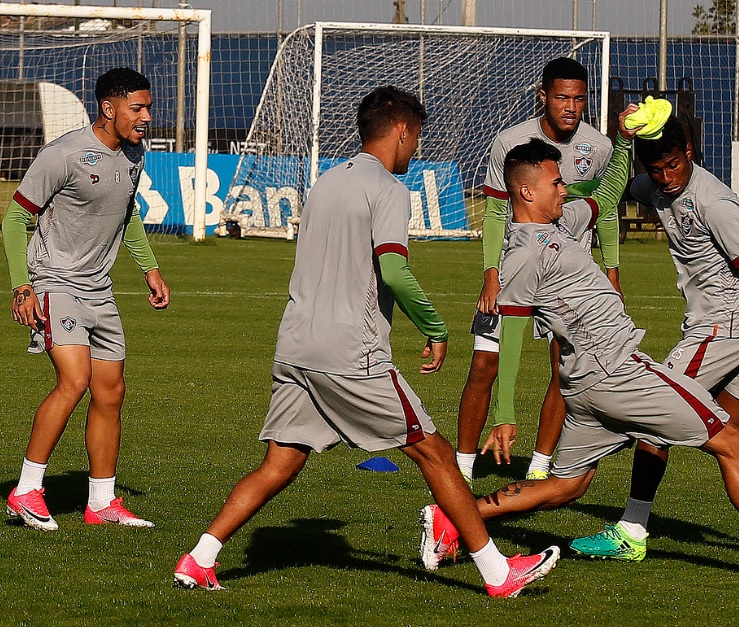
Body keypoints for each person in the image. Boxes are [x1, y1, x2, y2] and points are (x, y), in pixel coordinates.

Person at [173, 87, 558, 598]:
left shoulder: (327, 182)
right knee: (436, 454)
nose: (416, 148)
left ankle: (199, 559)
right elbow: (394, 270)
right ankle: (497, 572)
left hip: (296, 345)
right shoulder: (389, 190)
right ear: (401, 130)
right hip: (351, 352)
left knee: (280, 462)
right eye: (416, 136)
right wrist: (435, 328)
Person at [419, 135, 739, 584]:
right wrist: (504, 413)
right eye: (557, 183)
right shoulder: (521, 255)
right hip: (620, 374)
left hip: (584, 386)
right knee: (731, 441)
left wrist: (621, 141)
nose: (565, 190)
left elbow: (605, 194)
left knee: (566, 487)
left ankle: (450, 519)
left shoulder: (561, 221)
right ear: (527, 192)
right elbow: (514, 335)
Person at [568, 115, 739, 563]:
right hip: (733, 325)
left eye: (672, 166)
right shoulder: (655, 185)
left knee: (654, 415)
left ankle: (631, 529)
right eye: (655, 170)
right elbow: (614, 193)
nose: (665, 179)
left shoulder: (715, 201)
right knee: (730, 433)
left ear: (689, 152)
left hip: (723, 324)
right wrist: (625, 144)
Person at [4, 68, 169, 531]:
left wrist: (150, 267)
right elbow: (15, 220)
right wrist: (23, 286)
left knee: (110, 392)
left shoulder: (135, 153)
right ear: (108, 108)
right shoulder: (64, 155)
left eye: (148, 108)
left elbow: (127, 210)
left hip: (100, 287)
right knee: (74, 380)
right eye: (137, 108)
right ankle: (26, 490)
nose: (146, 118)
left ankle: (101, 503)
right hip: (54, 280)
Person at [459, 56, 618, 484]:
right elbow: (494, 213)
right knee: (483, 365)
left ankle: (540, 468)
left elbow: (604, 210)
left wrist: (612, 266)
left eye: (580, 99)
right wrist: (491, 272)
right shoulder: (509, 142)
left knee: (563, 371)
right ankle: (463, 465)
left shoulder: (599, 147)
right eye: (563, 97)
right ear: (543, 96)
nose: (571, 106)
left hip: (567, 273)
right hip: (515, 266)